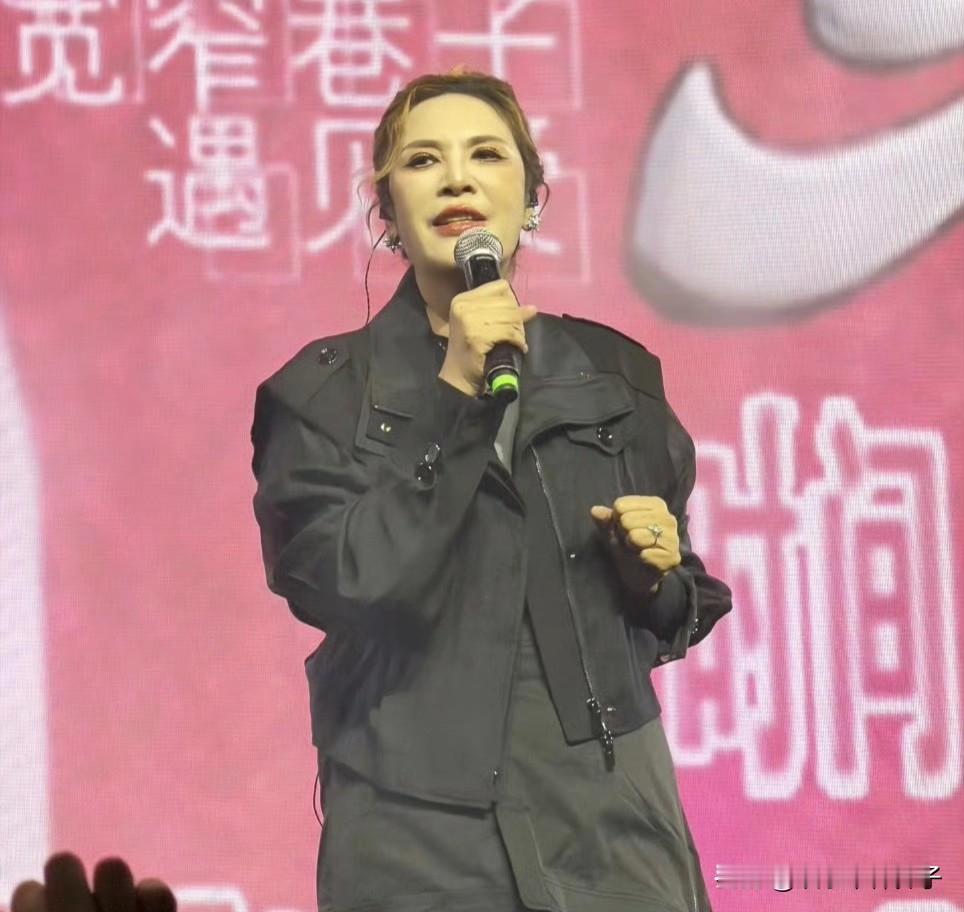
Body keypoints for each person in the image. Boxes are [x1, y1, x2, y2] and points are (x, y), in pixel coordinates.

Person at [250, 69, 732, 912]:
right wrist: (455, 396)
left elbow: (674, 606)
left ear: (532, 197)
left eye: (486, 155)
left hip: (612, 831)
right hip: (416, 840)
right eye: (422, 161)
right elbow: (344, 581)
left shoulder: (614, 375)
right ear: (386, 209)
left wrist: (652, 576)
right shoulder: (319, 397)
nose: (457, 179)